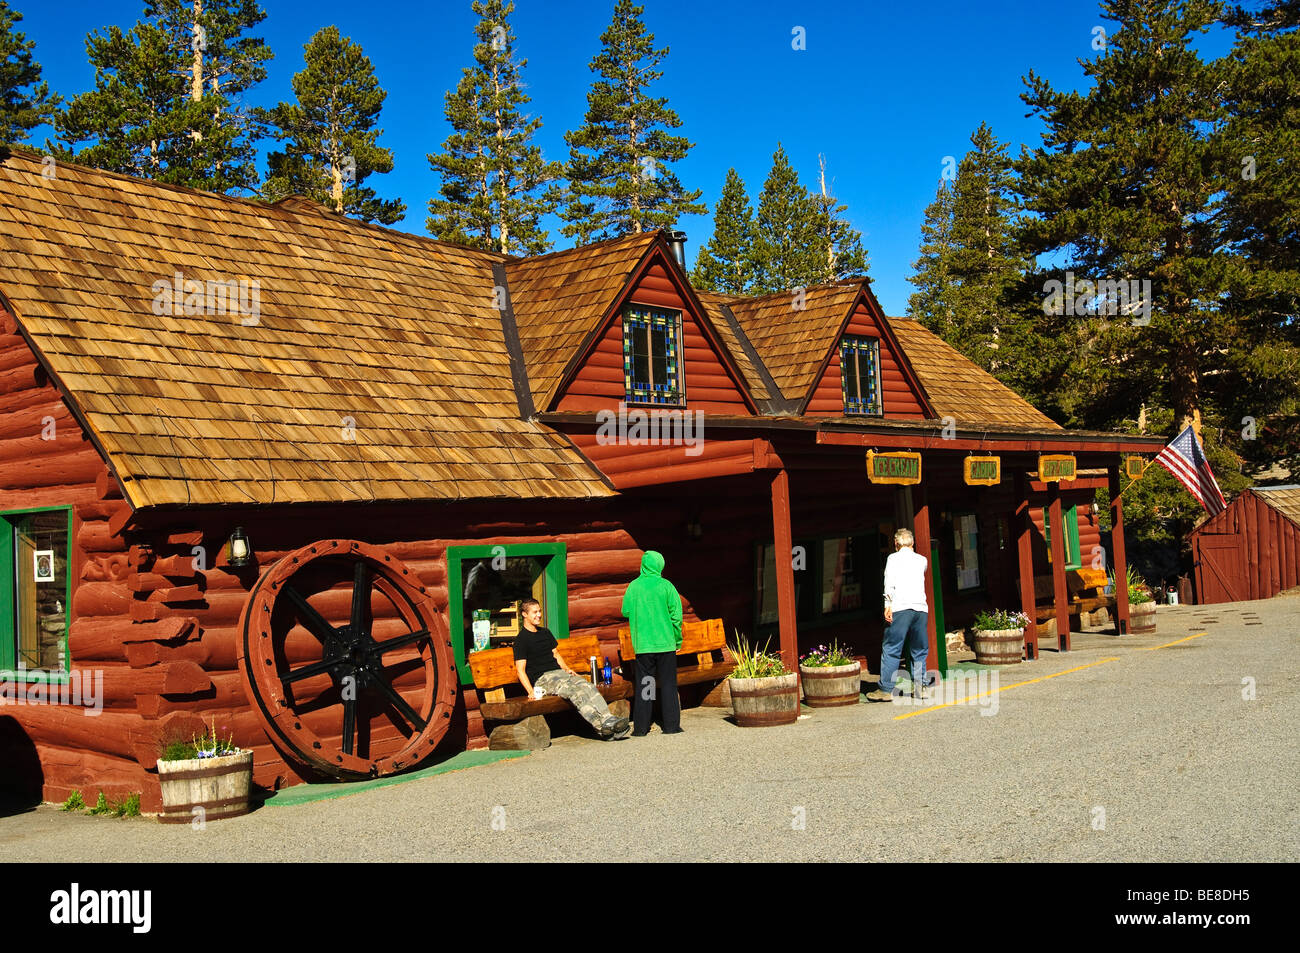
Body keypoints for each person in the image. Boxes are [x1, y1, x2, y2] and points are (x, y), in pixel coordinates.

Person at [512, 599, 630, 740]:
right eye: (535, 612)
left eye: (540, 611)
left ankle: (608, 719)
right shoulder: (521, 640)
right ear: (524, 614)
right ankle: (601, 727)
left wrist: (567, 669)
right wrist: (530, 691)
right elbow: (520, 670)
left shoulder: (545, 633)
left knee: (587, 686)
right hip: (543, 679)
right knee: (575, 692)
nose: (539, 615)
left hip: (559, 674)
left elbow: (555, 654)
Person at [621, 551, 684, 735]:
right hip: (666, 644)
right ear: (660, 565)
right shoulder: (667, 586)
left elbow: (625, 611)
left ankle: (641, 727)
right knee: (668, 684)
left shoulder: (634, 587)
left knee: (646, 684)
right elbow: (676, 617)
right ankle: (671, 726)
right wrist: (677, 639)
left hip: (644, 646)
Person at [866, 529, 930, 702]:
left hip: (901, 607)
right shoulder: (922, 560)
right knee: (919, 649)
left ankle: (886, 689)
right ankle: (921, 687)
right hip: (920, 608)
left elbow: (889, 583)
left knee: (892, 647)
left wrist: (887, 605)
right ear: (912, 543)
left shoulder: (892, 559)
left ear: (895, 543)